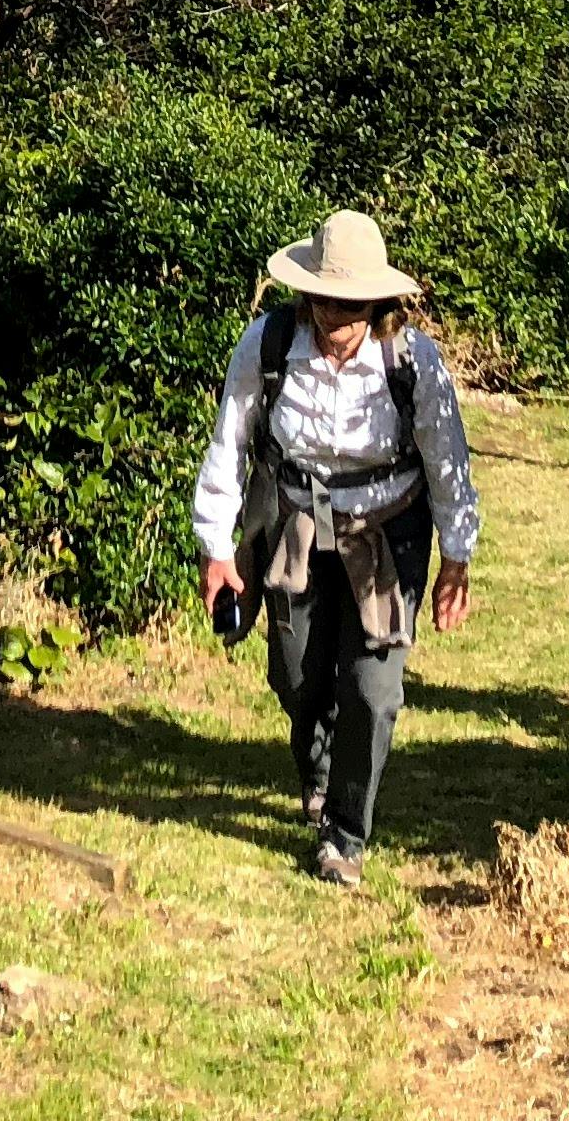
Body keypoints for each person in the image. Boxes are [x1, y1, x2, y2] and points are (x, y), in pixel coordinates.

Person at [190, 209, 475, 887]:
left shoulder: (412, 361)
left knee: (372, 690)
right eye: (322, 299)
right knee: (295, 676)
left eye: (348, 306)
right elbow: (231, 441)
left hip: (387, 536)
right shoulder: (268, 344)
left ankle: (345, 834)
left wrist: (456, 557)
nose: (332, 318)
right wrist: (216, 546)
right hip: (295, 527)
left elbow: (446, 458)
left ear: (376, 302)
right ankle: (316, 773)